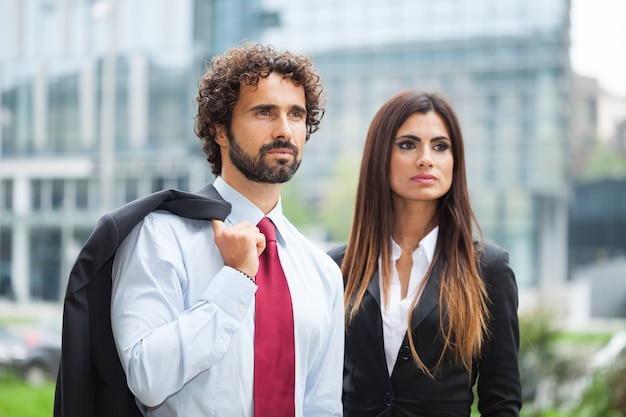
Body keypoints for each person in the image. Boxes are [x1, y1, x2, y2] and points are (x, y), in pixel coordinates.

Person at [110, 42, 344, 417]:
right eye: (264, 112)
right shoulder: (161, 236)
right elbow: (146, 378)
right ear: (220, 129)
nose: (284, 130)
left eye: (296, 114)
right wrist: (234, 279)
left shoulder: (322, 272)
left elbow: (323, 405)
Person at [329, 90, 522, 416]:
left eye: (440, 146)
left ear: (454, 161)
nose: (426, 158)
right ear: (379, 156)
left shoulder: (488, 269)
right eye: (407, 144)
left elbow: (501, 401)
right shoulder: (337, 267)